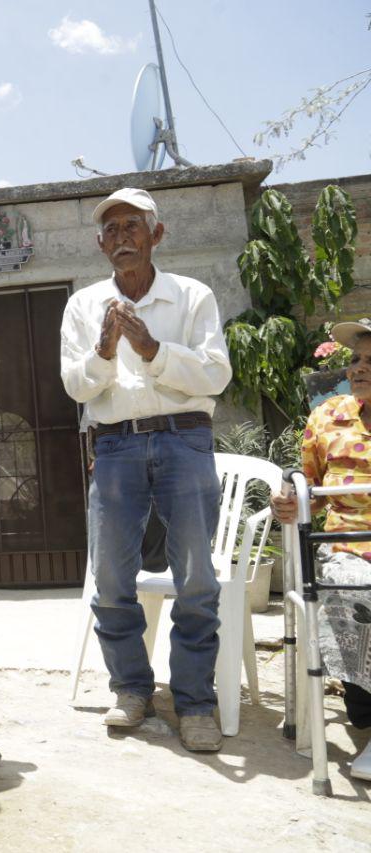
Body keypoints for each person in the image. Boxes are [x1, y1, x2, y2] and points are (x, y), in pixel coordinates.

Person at [60, 187, 232, 752]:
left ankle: (195, 703)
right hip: (114, 447)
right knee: (110, 578)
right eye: (110, 231)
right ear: (99, 244)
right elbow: (76, 386)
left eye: (132, 227)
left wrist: (153, 348)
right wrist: (107, 348)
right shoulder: (86, 305)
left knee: (196, 579)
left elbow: (214, 376)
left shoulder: (192, 296)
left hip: (185, 443)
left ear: (156, 235)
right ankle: (132, 691)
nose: (120, 238)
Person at [270, 317, 371, 781]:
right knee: (356, 590)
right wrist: (287, 499)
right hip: (345, 545)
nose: (358, 369)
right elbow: (303, 482)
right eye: (355, 360)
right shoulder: (328, 415)